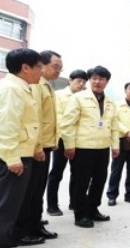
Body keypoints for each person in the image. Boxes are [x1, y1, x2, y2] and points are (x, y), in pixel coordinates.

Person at [0, 48, 43, 248]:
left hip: (14, 155)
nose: (41, 72)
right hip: (8, 158)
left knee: (8, 211)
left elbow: (24, 124)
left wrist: (35, 148)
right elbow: (7, 126)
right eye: (38, 67)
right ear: (25, 68)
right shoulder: (11, 89)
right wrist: (12, 158)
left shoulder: (19, 87)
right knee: (2, 212)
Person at [61, 65, 120, 228]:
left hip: (102, 148)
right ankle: (80, 214)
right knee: (81, 182)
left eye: (101, 79)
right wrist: (69, 145)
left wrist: (115, 146)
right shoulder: (78, 98)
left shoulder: (110, 102)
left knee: (100, 181)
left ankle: (93, 209)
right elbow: (67, 124)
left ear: (107, 81)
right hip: (82, 147)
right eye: (94, 78)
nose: (97, 82)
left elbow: (114, 125)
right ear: (90, 80)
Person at [13, 50, 61, 245]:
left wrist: (52, 142)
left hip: (45, 146)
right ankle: (23, 230)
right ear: (42, 64)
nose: (58, 71)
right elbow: (36, 120)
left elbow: (49, 119)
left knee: (37, 190)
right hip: (36, 148)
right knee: (30, 192)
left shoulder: (47, 86)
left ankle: (35, 224)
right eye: (55, 66)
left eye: (60, 68)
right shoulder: (35, 86)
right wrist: (38, 146)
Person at [47, 70, 88, 216]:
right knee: (56, 173)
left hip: (79, 141)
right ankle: (52, 205)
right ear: (70, 80)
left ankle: (74, 202)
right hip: (62, 140)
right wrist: (59, 139)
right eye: (79, 81)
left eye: (84, 82)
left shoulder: (84, 97)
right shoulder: (59, 95)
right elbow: (58, 118)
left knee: (77, 173)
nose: (81, 84)